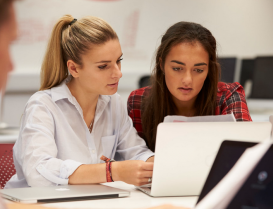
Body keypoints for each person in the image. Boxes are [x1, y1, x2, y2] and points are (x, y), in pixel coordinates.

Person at [4, 14, 158, 189]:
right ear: (74, 68)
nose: (118, 73)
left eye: (118, 61)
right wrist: (111, 171)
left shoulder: (113, 103)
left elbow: (136, 152)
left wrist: (159, 166)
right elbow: (39, 174)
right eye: (103, 66)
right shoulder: (43, 106)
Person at [128, 22, 252, 151]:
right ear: (161, 64)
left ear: (209, 69)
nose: (187, 80)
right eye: (177, 68)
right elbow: (131, 156)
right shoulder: (138, 100)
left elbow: (245, 152)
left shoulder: (229, 96)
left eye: (198, 70)